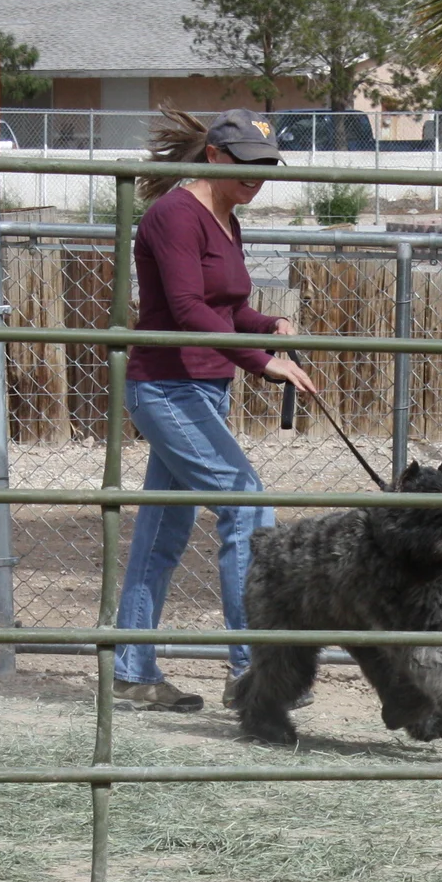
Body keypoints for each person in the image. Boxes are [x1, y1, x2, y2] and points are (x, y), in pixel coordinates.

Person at [114, 108, 320, 713]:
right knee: (246, 501)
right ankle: (252, 667)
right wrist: (263, 360)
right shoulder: (174, 215)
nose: (257, 178)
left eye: (266, 168)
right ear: (214, 157)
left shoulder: (225, 217)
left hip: (203, 386)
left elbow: (222, 308)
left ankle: (130, 672)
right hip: (168, 386)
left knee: (161, 534)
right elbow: (182, 308)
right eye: (246, 167)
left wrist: (265, 324)